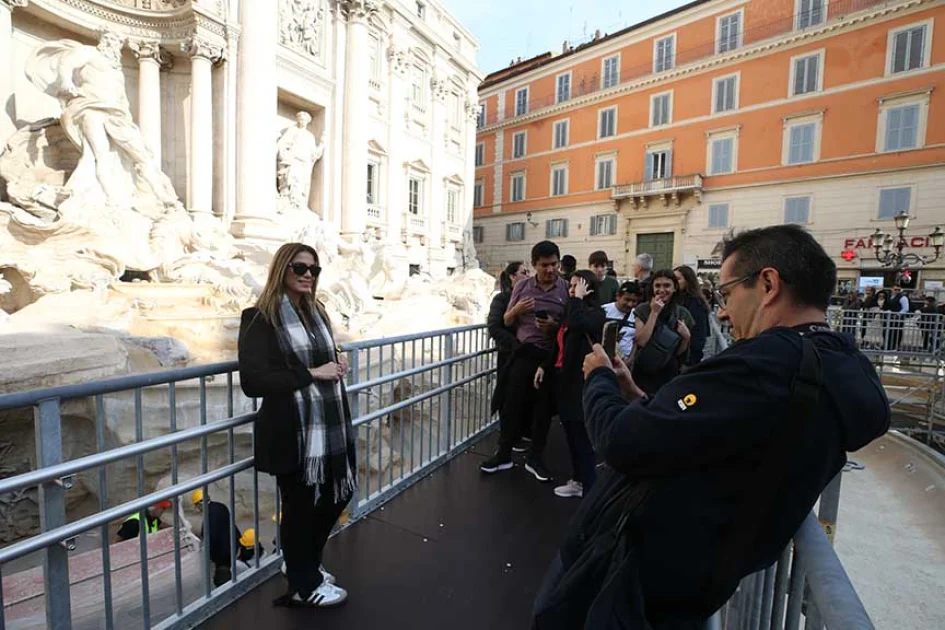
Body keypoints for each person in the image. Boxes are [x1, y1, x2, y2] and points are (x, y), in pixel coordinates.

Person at [532, 224, 890, 629]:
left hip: (633, 571)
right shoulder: (837, 366)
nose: (722, 311)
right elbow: (712, 434)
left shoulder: (763, 366)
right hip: (698, 578)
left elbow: (620, 441)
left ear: (768, 284)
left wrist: (598, 378)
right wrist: (639, 397)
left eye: (728, 292)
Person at [238, 242, 356, 608]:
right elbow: (253, 382)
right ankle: (304, 585)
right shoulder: (259, 318)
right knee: (300, 505)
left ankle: (305, 563)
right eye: (299, 268)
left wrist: (336, 365)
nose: (307, 275)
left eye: (313, 269)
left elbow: (321, 364)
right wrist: (310, 373)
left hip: (329, 423)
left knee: (341, 493)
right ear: (281, 270)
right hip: (291, 430)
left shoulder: (316, 312)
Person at [480, 241, 569, 481]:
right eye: (544, 265)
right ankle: (504, 455)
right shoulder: (522, 287)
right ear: (534, 264)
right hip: (522, 354)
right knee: (511, 405)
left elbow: (568, 329)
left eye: (554, 264)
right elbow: (506, 322)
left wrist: (553, 327)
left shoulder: (566, 289)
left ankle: (535, 458)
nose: (550, 270)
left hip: (548, 358)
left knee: (542, 411)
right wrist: (517, 309)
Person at [534, 270, 606, 499]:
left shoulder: (595, 313)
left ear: (589, 289)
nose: (572, 291)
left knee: (582, 438)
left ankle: (589, 491)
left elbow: (577, 324)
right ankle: (578, 480)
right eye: (571, 287)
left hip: (579, 383)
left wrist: (577, 299)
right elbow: (559, 344)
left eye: (577, 286)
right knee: (571, 435)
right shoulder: (571, 311)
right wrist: (544, 365)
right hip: (561, 381)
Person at [488, 262, 531, 449]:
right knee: (507, 396)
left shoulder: (529, 296)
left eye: (529, 271)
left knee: (524, 396)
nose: (528, 275)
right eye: (524, 272)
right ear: (513, 277)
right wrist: (516, 345)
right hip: (510, 355)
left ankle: (522, 432)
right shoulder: (501, 299)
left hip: (528, 354)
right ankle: (509, 437)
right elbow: (494, 327)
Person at [630, 269, 695, 395]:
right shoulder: (642, 309)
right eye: (657, 286)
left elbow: (679, 353)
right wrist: (654, 313)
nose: (662, 290)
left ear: (675, 288)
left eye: (667, 285)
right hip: (644, 370)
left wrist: (686, 337)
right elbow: (641, 341)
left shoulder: (683, 313)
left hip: (669, 372)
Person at [191, 489, 261, 587]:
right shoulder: (220, 506)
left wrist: (210, 555)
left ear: (199, 504)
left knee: (224, 574)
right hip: (233, 543)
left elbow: (212, 538)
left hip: (221, 552)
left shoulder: (209, 516)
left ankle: (226, 587)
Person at [674, 265, 710, 368]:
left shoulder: (696, 303)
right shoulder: (676, 300)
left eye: (678, 279)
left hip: (688, 359)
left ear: (687, 281)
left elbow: (699, 335)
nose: (675, 282)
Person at [601, 281, 643, 359]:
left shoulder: (637, 315)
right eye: (627, 300)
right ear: (618, 296)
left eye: (634, 301)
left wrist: (630, 359)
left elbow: (635, 341)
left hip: (625, 361)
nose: (630, 304)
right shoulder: (604, 310)